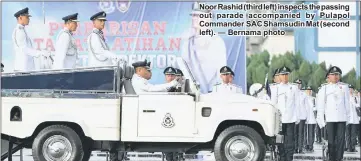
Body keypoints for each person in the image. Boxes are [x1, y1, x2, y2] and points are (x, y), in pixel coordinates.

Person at [181, 2, 227, 94]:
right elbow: (184, 70)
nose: (195, 19)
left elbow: (220, 72)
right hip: (191, 93)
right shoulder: (187, 42)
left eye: (199, 16)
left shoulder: (217, 41)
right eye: (194, 15)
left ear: (208, 18)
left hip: (211, 93)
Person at [316, 66, 350, 161]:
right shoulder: (324, 89)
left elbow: (347, 104)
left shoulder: (344, 87)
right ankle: (332, 158)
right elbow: (321, 108)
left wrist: (347, 118)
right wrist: (322, 123)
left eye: (337, 74)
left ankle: (339, 158)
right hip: (330, 119)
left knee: (341, 142)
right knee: (330, 142)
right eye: (333, 74)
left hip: (341, 118)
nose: (335, 76)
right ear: (328, 76)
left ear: (339, 76)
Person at [270, 66, 299, 161]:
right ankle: (281, 157)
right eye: (283, 75)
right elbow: (273, 104)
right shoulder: (275, 88)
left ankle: (289, 158)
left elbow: (297, 103)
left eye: (286, 74)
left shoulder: (294, 88)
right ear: (279, 76)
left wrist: (297, 116)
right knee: (279, 140)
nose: (285, 77)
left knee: (290, 141)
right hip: (280, 121)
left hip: (291, 118)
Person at [12, 7, 50, 72]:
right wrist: (39, 53)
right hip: (22, 69)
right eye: (27, 17)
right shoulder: (19, 31)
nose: (29, 19)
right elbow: (24, 48)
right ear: (20, 18)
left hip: (25, 68)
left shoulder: (22, 30)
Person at [293, 79, 306, 153]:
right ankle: (295, 148)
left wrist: (307, 117)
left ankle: (300, 148)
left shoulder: (303, 94)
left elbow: (306, 106)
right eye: (297, 83)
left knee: (301, 133)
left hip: (301, 116)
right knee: (294, 133)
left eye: (299, 83)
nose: (298, 85)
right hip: (294, 116)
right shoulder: (292, 93)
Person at [345, 84, 359, 152]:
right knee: (348, 134)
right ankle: (348, 147)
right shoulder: (345, 97)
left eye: (351, 89)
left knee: (353, 134)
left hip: (354, 119)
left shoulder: (355, 97)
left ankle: (353, 147)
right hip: (347, 118)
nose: (350, 90)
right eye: (349, 89)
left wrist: (355, 97)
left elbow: (358, 105)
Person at [304, 86, 316, 152]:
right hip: (305, 118)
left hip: (312, 119)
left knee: (311, 133)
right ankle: (305, 145)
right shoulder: (304, 98)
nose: (309, 92)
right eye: (307, 90)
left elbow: (316, 108)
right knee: (305, 133)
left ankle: (311, 146)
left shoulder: (314, 99)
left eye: (310, 90)